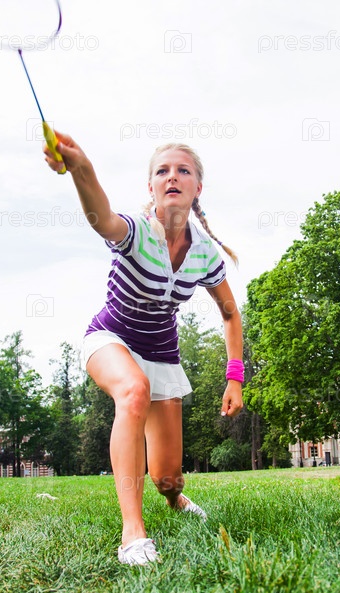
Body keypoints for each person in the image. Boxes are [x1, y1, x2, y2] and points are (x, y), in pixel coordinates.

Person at [44, 135, 244, 566]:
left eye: (183, 171)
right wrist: (80, 168)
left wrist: (234, 377)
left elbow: (230, 314)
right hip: (110, 339)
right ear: (150, 186)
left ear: (197, 188)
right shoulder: (135, 231)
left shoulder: (205, 253)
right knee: (133, 390)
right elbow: (101, 219)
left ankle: (175, 499)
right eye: (162, 171)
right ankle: (133, 534)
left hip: (162, 356)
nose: (172, 177)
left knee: (168, 477)